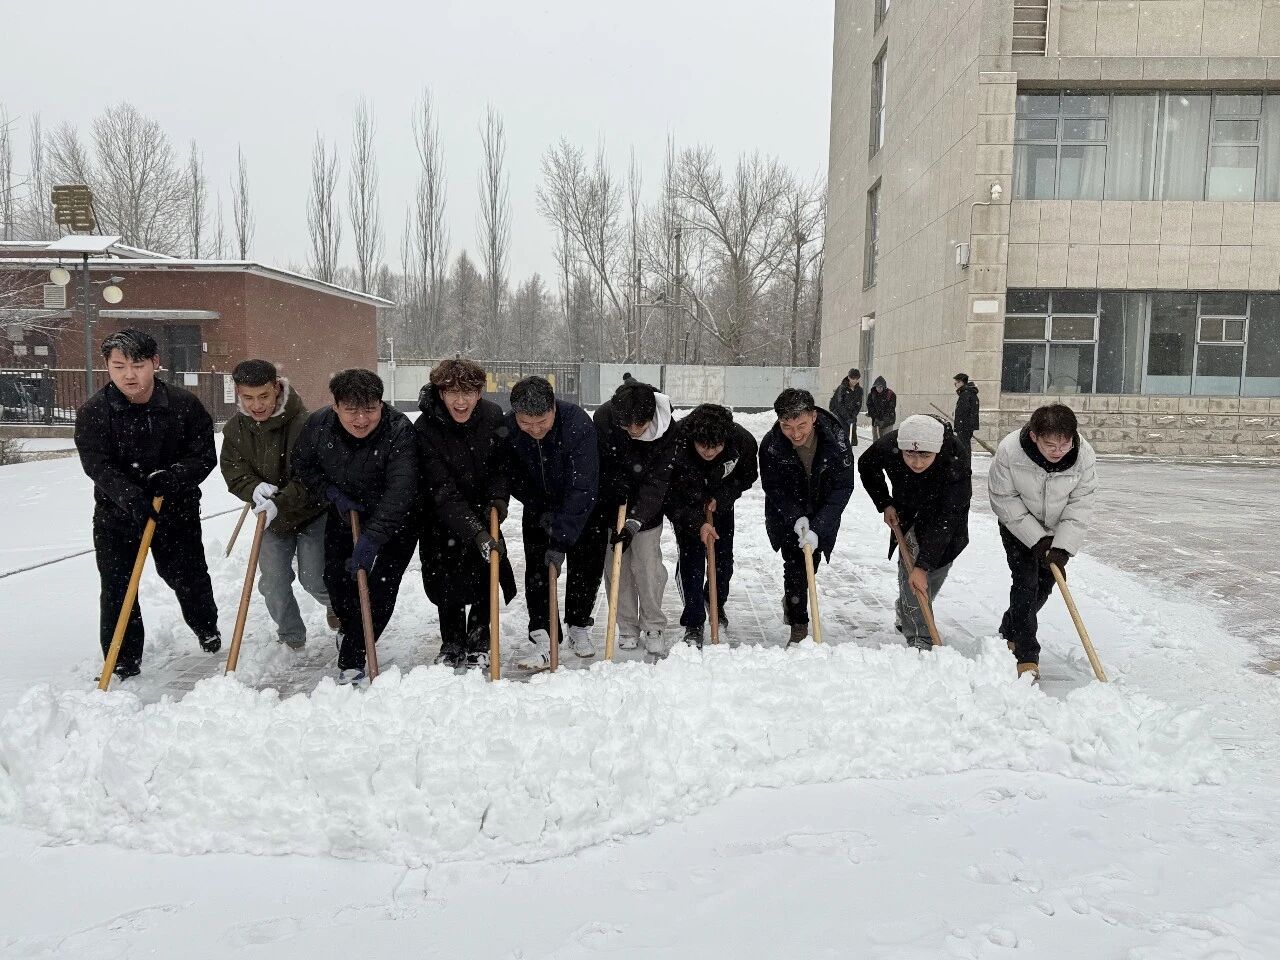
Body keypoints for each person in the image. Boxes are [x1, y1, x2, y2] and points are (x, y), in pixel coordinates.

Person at [74, 328, 221, 679]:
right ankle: (122, 658)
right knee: (118, 586)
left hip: (176, 512)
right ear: (107, 366)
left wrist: (175, 476)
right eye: (119, 366)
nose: (129, 375)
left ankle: (205, 625)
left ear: (155, 362)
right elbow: (97, 464)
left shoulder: (184, 406)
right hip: (117, 516)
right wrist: (130, 497)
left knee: (186, 576)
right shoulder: (95, 412)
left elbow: (204, 455)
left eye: (138, 365)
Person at [292, 368, 419, 684]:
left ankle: (353, 657)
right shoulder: (319, 426)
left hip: (397, 519)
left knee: (381, 587)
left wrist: (373, 538)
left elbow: (401, 490)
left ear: (381, 404)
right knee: (337, 579)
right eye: (351, 410)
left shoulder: (399, 430)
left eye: (370, 409)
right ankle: (351, 629)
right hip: (346, 512)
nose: (362, 419)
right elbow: (303, 465)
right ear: (335, 406)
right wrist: (331, 493)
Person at [220, 359, 333, 650]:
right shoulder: (235, 430)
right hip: (271, 519)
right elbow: (234, 471)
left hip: (312, 512)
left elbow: (312, 477)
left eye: (263, 396)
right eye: (248, 397)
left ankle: (339, 607)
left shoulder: (306, 423)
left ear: (276, 388)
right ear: (238, 392)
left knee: (314, 578)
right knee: (273, 582)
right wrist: (253, 487)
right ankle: (291, 634)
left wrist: (280, 501)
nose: (257, 405)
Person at [414, 358, 515, 671]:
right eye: (453, 393)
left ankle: (479, 640)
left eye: (468, 392)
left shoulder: (492, 416)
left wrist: (498, 499)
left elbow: (500, 467)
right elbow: (440, 488)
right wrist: (474, 531)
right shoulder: (425, 428)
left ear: (479, 392)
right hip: (440, 516)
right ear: (440, 393)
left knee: (486, 572)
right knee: (446, 581)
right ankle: (452, 642)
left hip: (483, 511)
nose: (461, 401)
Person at [987, 403, 1098, 679]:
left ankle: (1012, 624)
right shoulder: (1010, 450)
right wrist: (1036, 539)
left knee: (1045, 585)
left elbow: (1081, 504)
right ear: (1034, 436)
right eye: (1050, 445)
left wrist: (1061, 547)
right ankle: (1026, 655)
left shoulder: (1084, 455)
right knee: (1025, 582)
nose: (1058, 452)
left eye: (1065, 444)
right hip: (1017, 525)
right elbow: (1003, 498)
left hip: (1057, 528)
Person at [501, 376, 599, 668]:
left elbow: (583, 485)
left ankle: (578, 625)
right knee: (538, 570)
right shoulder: (509, 429)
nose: (534, 429)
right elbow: (509, 474)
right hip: (539, 508)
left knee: (585, 567)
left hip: (582, 508)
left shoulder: (577, 424)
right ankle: (544, 636)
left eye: (541, 422)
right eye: (526, 423)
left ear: (553, 408)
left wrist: (561, 538)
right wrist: (536, 504)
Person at [858, 414, 971, 651]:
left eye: (925, 456)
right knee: (912, 577)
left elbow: (949, 516)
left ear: (937, 450)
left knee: (935, 569)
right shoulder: (891, 443)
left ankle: (908, 607)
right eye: (909, 454)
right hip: (907, 511)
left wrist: (924, 566)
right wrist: (885, 503)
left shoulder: (955, 456)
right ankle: (920, 637)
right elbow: (867, 465)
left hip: (945, 518)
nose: (917, 463)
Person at [759, 388, 856, 644]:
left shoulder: (837, 440)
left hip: (824, 510)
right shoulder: (771, 445)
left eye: (801, 425)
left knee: (811, 564)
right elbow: (773, 487)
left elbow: (843, 486)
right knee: (795, 567)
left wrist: (819, 526)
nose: (796, 434)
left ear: (813, 416)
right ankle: (799, 625)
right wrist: (795, 518)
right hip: (787, 513)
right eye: (787, 426)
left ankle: (795, 600)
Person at [594, 379, 680, 655]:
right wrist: (613, 484)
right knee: (616, 568)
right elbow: (600, 462)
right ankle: (627, 627)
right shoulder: (605, 418)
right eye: (626, 425)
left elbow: (659, 480)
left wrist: (635, 521)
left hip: (647, 510)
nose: (632, 430)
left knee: (647, 567)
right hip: (612, 504)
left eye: (639, 425)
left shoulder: (668, 429)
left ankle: (653, 624)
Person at [665, 403, 758, 647]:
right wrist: (697, 522)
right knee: (692, 561)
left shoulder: (742, 442)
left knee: (723, 559)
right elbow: (670, 494)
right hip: (686, 504)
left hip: (720, 504)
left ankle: (715, 602)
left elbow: (747, 475)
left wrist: (723, 497)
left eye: (716, 446)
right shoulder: (675, 442)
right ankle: (694, 621)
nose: (709, 452)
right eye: (703, 446)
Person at [829, 368, 864, 447]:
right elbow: (839, 404)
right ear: (849, 377)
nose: (854, 381)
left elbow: (858, 404)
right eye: (852, 378)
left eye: (856, 379)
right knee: (842, 437)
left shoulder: (859, 390)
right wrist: (847, 417)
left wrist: (854, 415)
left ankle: (850, 450)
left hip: (851, 416)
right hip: (840, 415)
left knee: (851, 439)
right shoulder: (842, 388)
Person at [953, 373, 980, 454]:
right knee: (965, 447)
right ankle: (965, 461)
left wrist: (960, 425)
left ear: (961, 382)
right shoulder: (970, 393)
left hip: (964, 426)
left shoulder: (966, 394)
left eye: (956, 382)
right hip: (967, 426)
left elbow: (964, 411)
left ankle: (964, 462)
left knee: (963, 448)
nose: (955, 384)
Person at [866, 375, 897, 440]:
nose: (879, 389)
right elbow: (870, 406)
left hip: (888, 421)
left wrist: (884, 420)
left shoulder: (890, 394)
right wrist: (875, 417)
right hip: (876, 421)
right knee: (876, 439)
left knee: (886, 439)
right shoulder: (871, 395)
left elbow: (890, 409)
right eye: (877, 387)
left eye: (880, 387)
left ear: (884, 387)